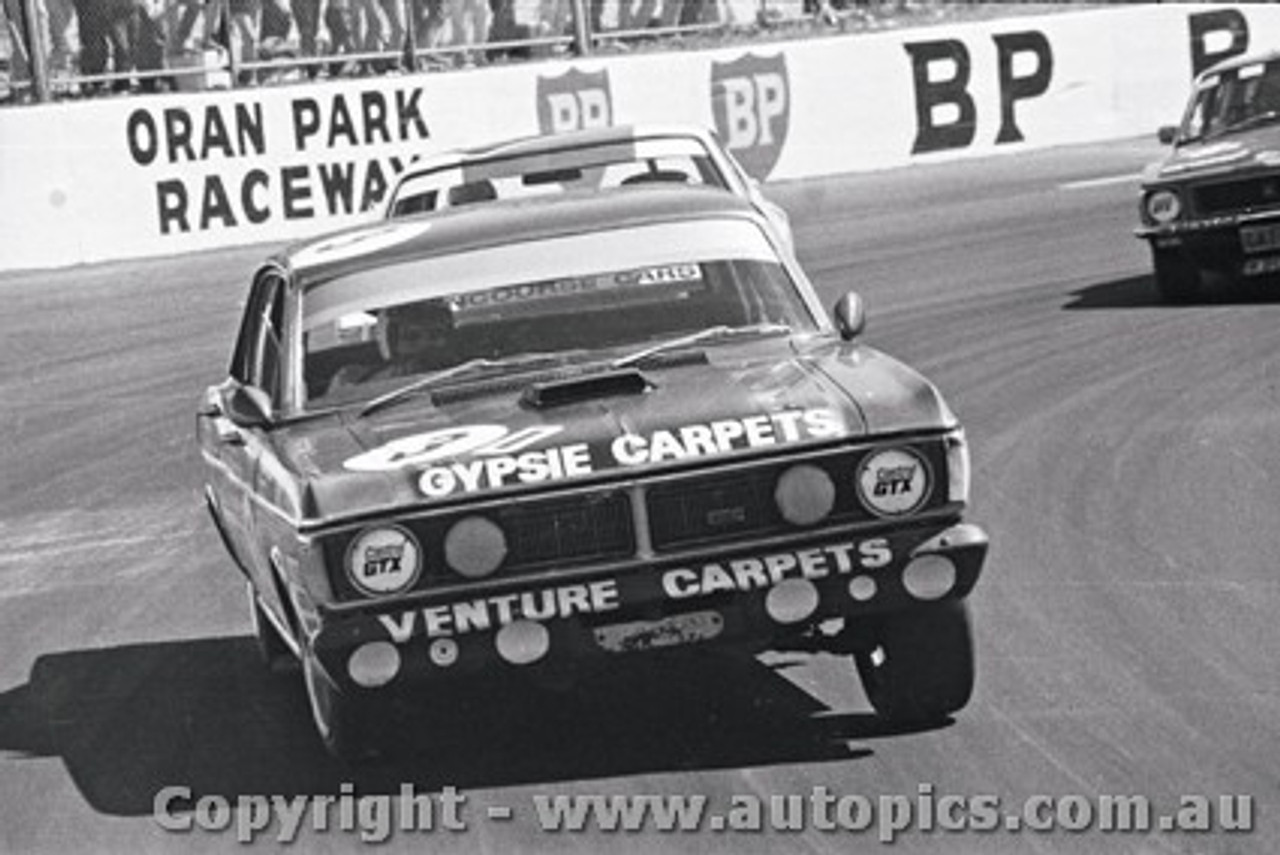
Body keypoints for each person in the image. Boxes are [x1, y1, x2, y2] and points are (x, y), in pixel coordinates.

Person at [327, 299, 457, 393]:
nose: (425, 343)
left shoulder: (469, 370)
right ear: (390, 342)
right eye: (411, 337)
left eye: (435, 335)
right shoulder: (351, 379)